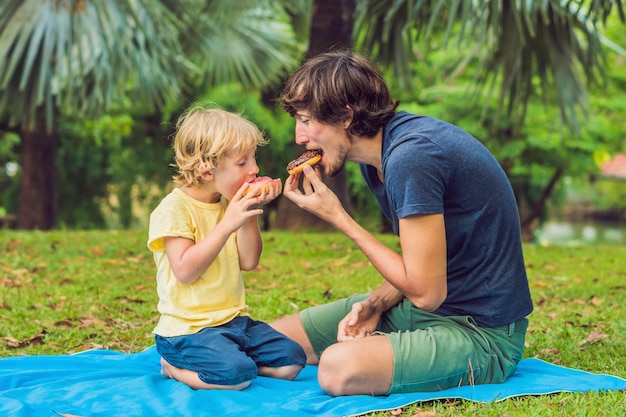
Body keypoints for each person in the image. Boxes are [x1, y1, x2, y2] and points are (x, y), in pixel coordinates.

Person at [271, 49, 533, 396]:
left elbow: (427, 292)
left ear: (346, 116)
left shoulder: (412, 157)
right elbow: (421, 265)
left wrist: (338, 217)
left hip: (480, 334)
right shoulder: (377, 159)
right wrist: (374, 305)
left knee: (338, 368)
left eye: (306, 120)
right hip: (422, 312)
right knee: (266, 342)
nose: (298, 137)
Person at [148, 104, 306, 390]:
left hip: (234, 322)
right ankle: (174, 367)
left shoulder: (228, 204)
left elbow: (249, 261)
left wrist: (248, 213)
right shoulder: (174, 208)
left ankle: (230, 361)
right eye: (242, 162)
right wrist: (228, 223)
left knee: (292, 362)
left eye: (253, 159)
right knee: (237, 379)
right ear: (206, 170)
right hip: (188, 330)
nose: (255, 169)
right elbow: (184, 270)